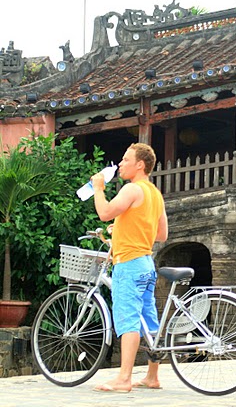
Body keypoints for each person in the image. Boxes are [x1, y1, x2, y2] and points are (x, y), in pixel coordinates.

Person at [91, 143, 168, 392]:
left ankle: (124, 379)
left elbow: (104, 212)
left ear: (140, 165)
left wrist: (98, 188)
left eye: (125, 160)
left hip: (129, 263)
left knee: (129, 320)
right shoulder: (154, 193)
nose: (120, 164)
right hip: (146, 262)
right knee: (149, 321)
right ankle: (152, 377)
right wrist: (124, 227)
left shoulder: (132, 189)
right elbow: (162, 234)